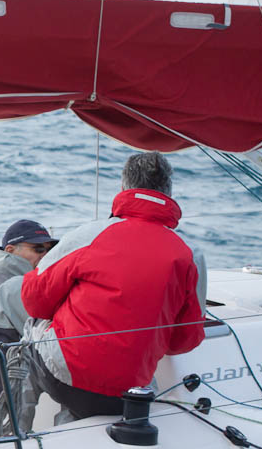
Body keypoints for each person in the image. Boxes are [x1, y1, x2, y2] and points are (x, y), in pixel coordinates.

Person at [19, 151, 206, 421]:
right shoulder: (188, 254)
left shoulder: (90, 234)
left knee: (32, 327)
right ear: (169, 192)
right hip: (130, 391)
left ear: (123, 187)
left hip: (67, 379)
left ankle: (13, 433)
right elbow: (185, 338)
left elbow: (34, 301)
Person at [0, 219, 57, 342]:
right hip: (3, 360)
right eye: (38, 249)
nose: (46, 255)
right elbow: (51, 335)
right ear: (10, 250)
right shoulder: (17, 285)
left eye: (49, 250)